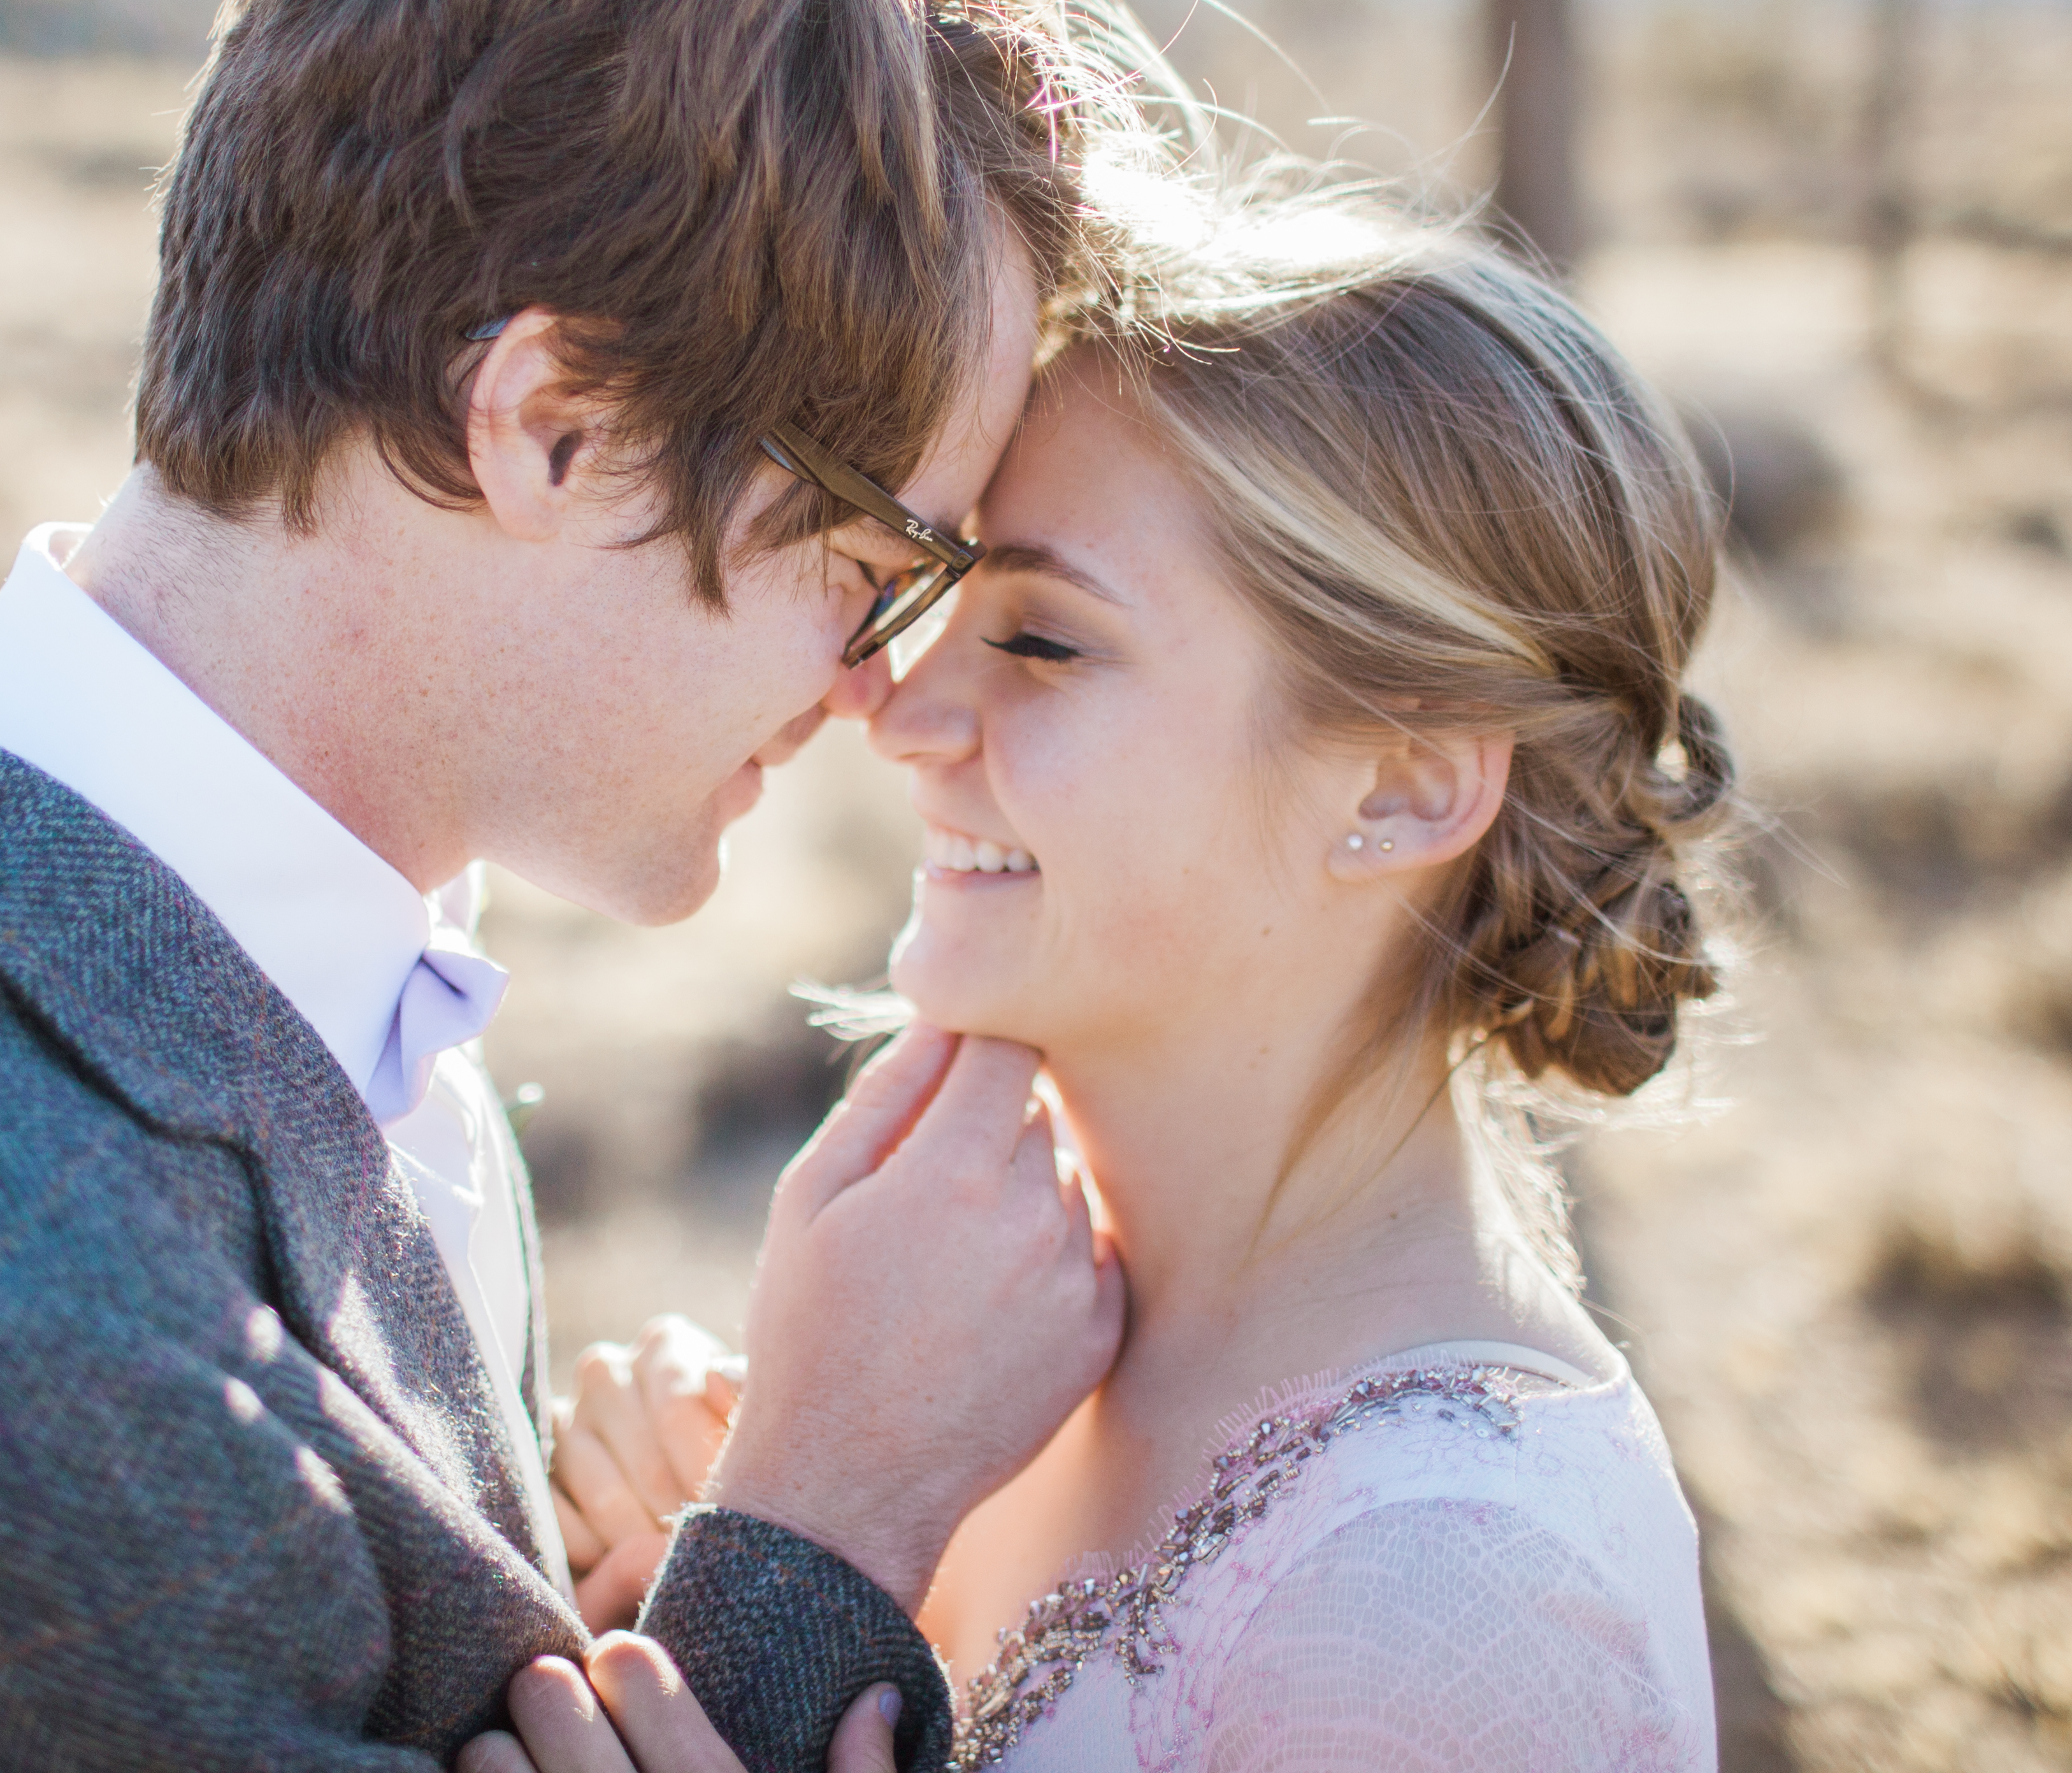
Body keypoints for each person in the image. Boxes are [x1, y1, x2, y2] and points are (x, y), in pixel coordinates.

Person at [0, 2, 1132, 1769]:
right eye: (873, 560)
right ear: (554, 430)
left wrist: (618, 1613)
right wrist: (824, 1534)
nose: (876, 687)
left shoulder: (160, 888)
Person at [552, 188, 1732, 1769]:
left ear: (1396, 785)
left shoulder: (1440, 1606)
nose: (896, 719)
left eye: (1040, 642)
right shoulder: (956, 1344)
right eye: (941, 604)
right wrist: (731, 1550)